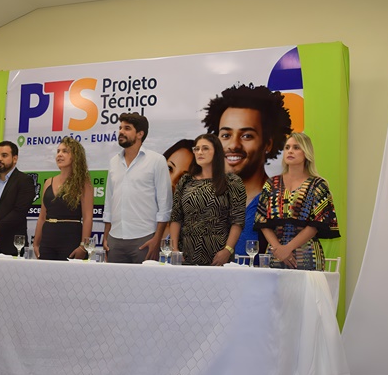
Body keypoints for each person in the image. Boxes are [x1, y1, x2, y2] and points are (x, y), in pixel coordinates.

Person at [202, 84, 292, 262]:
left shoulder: (279, 197)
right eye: (226, 135)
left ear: (268, 144)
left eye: (246, 136)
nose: (234, 145)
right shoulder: (207, 195)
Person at [255, 132, 340, 270]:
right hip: (275, 255)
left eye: (296, 147)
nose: (290, 151)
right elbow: (261, 220)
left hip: (308, 256)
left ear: (306, 152)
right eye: (287, 147)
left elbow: (317, 223)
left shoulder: (318, 185)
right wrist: (278, 249)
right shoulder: (271, 184)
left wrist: (288, 248)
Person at [103, 112, 172, 263]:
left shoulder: (157, 161)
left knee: (145, 279)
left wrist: (157, 239)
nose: (121, 131)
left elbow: (165, 206)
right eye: (120, 128)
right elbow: (109, 202)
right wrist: (106, 236)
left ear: (140, 134)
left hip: (145, 238)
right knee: (114, 279)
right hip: (115, 239)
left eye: (127, 128)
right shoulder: (114, 162)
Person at [170, 134, 246, 266]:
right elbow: (176, 217)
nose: (199, 152)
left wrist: (227, 250)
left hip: (219, 254)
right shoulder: (186, 181)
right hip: (186, 254)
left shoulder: (232, 181)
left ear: (216, 152)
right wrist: (175, 249)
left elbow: (237, 220)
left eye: (205, 148)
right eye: (196, 149)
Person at [33, 137, 94, 261]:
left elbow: (88, 217)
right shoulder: (48, 182)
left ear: (75, 156)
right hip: (48, 239)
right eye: (58, 151)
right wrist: (35, 243)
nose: (59, 155)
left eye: (65, 151)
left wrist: (83, 246)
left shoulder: (84, 183)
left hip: (70, 238)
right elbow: (42, 217)